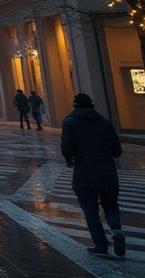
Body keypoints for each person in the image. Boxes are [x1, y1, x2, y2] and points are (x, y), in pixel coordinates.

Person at [61, 93, 125, 258]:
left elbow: (66, 149)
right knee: (110, 204)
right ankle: (116, 229)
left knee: (90, 209)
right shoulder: (105, 122)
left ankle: (101, 244)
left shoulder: (70, 122)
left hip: (84, 173)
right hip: (108, 172)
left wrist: (72, 158)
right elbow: (117, 150)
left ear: (75, 105)